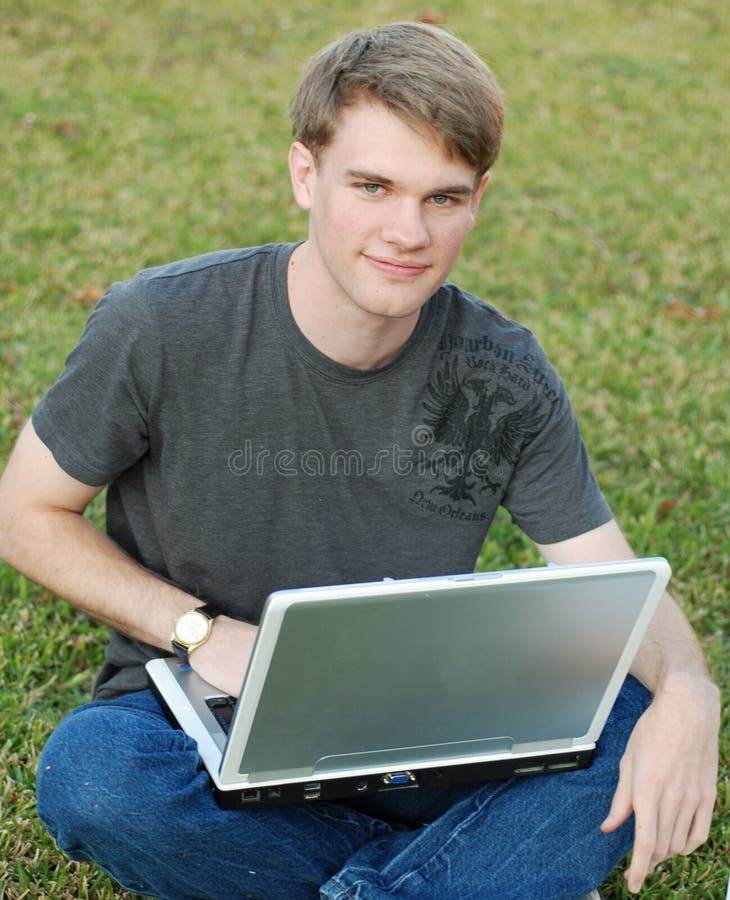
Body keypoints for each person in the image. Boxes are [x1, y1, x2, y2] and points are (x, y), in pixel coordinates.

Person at [0, 21, 719, 900]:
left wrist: (691, 691)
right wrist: (203, 633)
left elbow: (611, 581)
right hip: (214, 716)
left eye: (442, 198)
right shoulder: (159, 324)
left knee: (634, 716)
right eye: (372, 186)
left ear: (478, 200)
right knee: (95, 775)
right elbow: (23, 513)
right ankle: (457, 871)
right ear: (305, 173)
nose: (406, 232)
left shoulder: (501, 369)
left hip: (426, 722)